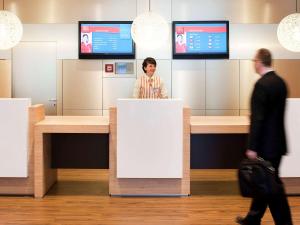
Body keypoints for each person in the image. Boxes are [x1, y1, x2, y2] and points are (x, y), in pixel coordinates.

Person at [236, 48, 293, 225]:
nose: (254, 64)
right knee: (265, 182)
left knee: (272, 188)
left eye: (254, 61)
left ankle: (284, 222)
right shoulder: (281, 82)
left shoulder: (261, 85)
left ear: (260, 62)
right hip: (278, 144)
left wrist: (252, 146)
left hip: (265, 146)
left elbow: (258, 118)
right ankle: (253, 218)